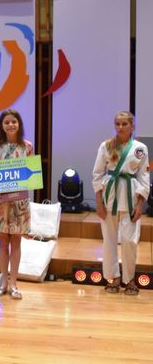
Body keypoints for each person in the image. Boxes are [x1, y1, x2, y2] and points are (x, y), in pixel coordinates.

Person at [92, 111, 150, 295]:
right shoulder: (106, 146)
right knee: (109, 240)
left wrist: (140, 205)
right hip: (110, 197)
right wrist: (99, 203)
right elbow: (97, 174)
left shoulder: (140, 148)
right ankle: (113, 278)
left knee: (129, 241)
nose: (120, 127)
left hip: (131, 197)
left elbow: (143, 177)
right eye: (117, 123)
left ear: (132, 125)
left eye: (124, 124)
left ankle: (129, 279)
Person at [0, 109, 33, 300]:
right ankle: (3, 283)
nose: (11, 125)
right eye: (7, 122)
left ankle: (14, 283)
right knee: (2, 242)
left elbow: (31, 174)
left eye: (14, 121)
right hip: (0, 202)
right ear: (2, 125)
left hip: (19, 202)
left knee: (16, 242)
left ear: (19, 124)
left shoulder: (27, 146)